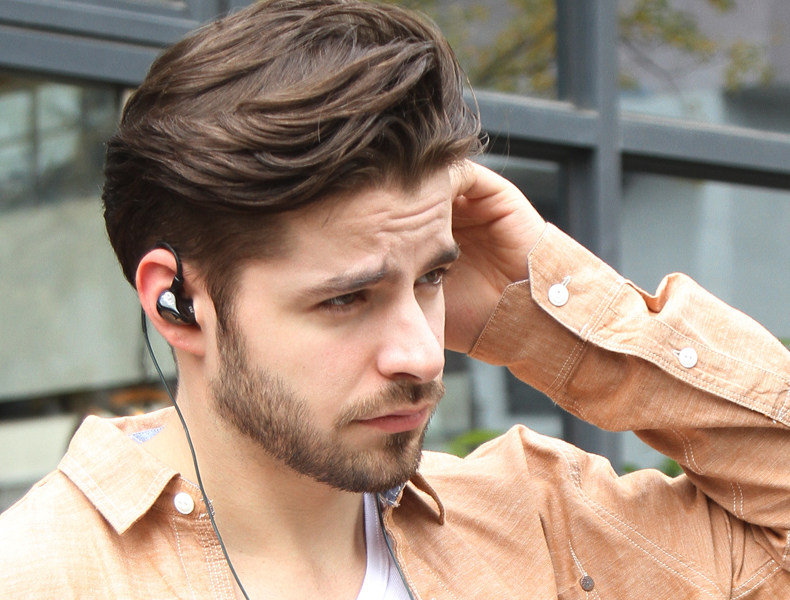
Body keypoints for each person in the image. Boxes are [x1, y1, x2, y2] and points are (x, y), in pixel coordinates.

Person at [1, 0, 789, 597]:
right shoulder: (46, 575)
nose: (420, 353)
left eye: (431, 278)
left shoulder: (540, 527)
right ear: (177, 302)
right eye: (347, 299)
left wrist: (548, 302)